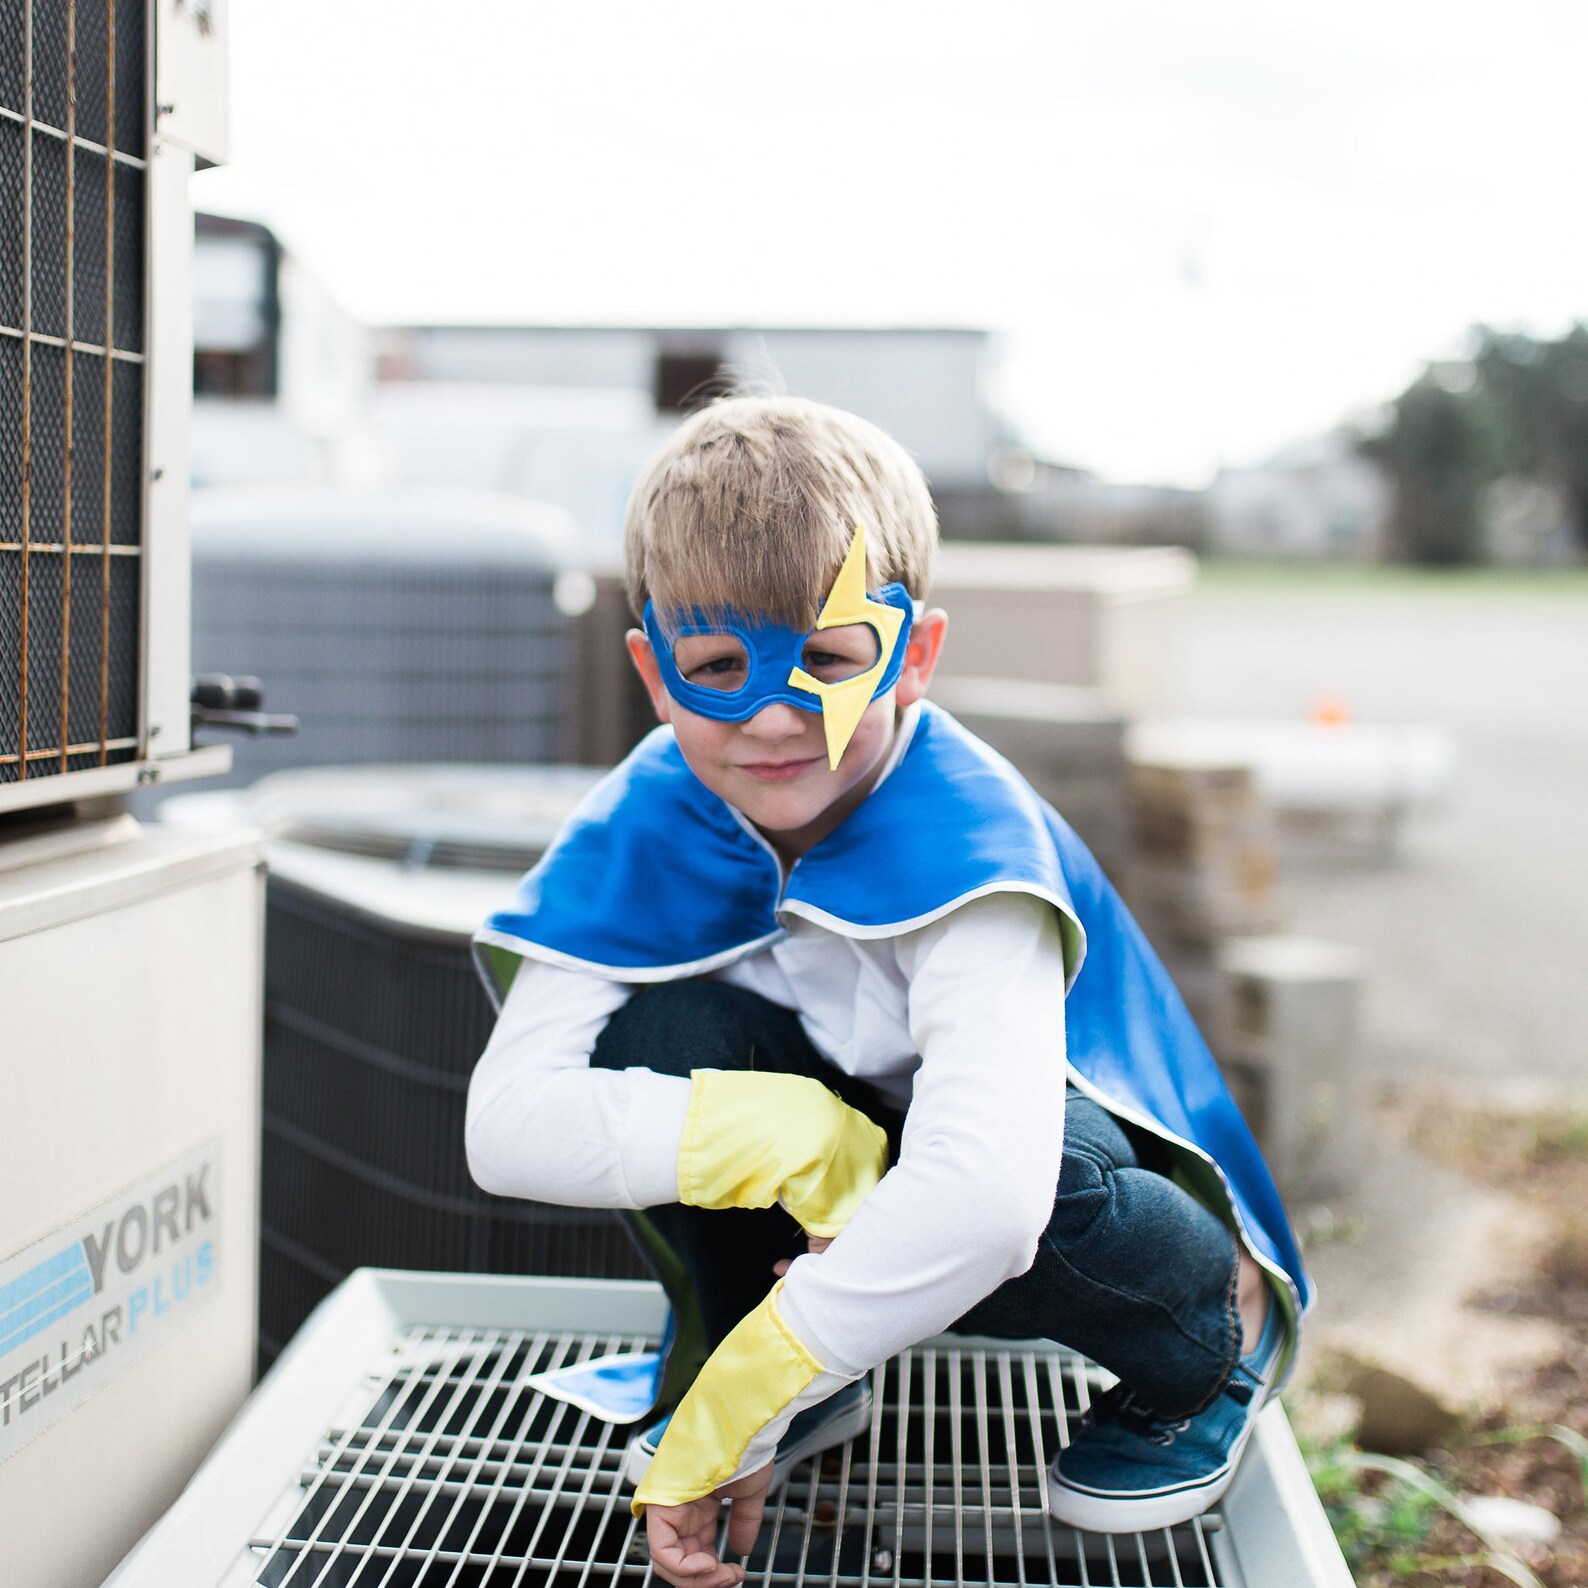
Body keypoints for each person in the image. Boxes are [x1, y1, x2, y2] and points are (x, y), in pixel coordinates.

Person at [466, 395, 1310, 1588]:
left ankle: (1207, 1343)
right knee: (650, 1042)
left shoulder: (971, 843)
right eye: (717, 668)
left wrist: (738, 1408)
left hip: (1032, 1156)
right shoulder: (645, 813)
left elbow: (986, 1195)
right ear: (656, 674)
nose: (771, 715)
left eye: (825, 656)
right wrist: (797, 1143)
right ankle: (809, 1354)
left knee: (1043, 1182)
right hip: (855, 1157)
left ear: (911, 652)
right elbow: (505, 1129)